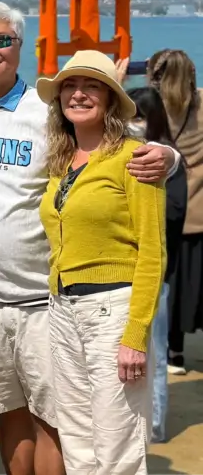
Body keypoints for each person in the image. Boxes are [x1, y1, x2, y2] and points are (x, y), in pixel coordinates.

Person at [0, 0, 177, 475]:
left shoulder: (48, 112)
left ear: (20, 46)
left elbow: (127, 146)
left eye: (2, 40)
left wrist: (169, 157)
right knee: (11, 410)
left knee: (62, 420)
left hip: (46, 301)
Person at [36, 51, 165, 473]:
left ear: (110, 99)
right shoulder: (61, 161)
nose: (78, 94)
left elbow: (152, 251)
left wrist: (136, 333)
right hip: (63, 309)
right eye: (70, 87)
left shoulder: (135, 157)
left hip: (113, 311)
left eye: (92, 86)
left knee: (118, 443)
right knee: (76, 437)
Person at [127, 86, 188, 443]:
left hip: (157, 274)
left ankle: (155, 425)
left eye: (137, 117)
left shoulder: (167, 160)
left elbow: (174, 213)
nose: (130, 124)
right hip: (127, 273)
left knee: (156, 354)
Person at [145, 50, 203, 375]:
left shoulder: (152, 111)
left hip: (167, 214)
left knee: (170, 287)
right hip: (200, 214)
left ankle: (174, 353)